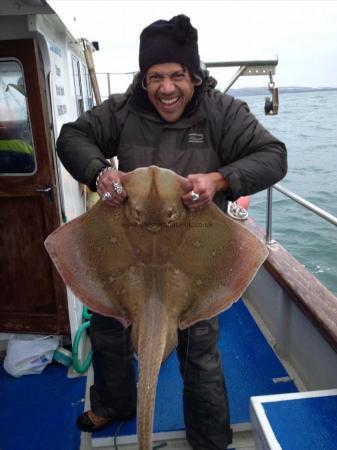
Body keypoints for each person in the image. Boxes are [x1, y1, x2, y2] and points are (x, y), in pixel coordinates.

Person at [56, 14, 287, 450]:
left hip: (194, 259)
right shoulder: (124, 110)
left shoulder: (221, 112)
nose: (166, 88)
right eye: (155, 76)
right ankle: (115, 402)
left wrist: (220, 180)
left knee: (199, 353)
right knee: (109, 330)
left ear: (194, 77)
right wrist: (100, 173)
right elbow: (72, 138)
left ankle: (210, 441)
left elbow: (273, 156)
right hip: (128, 250)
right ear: (143, 80)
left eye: (177, 75)